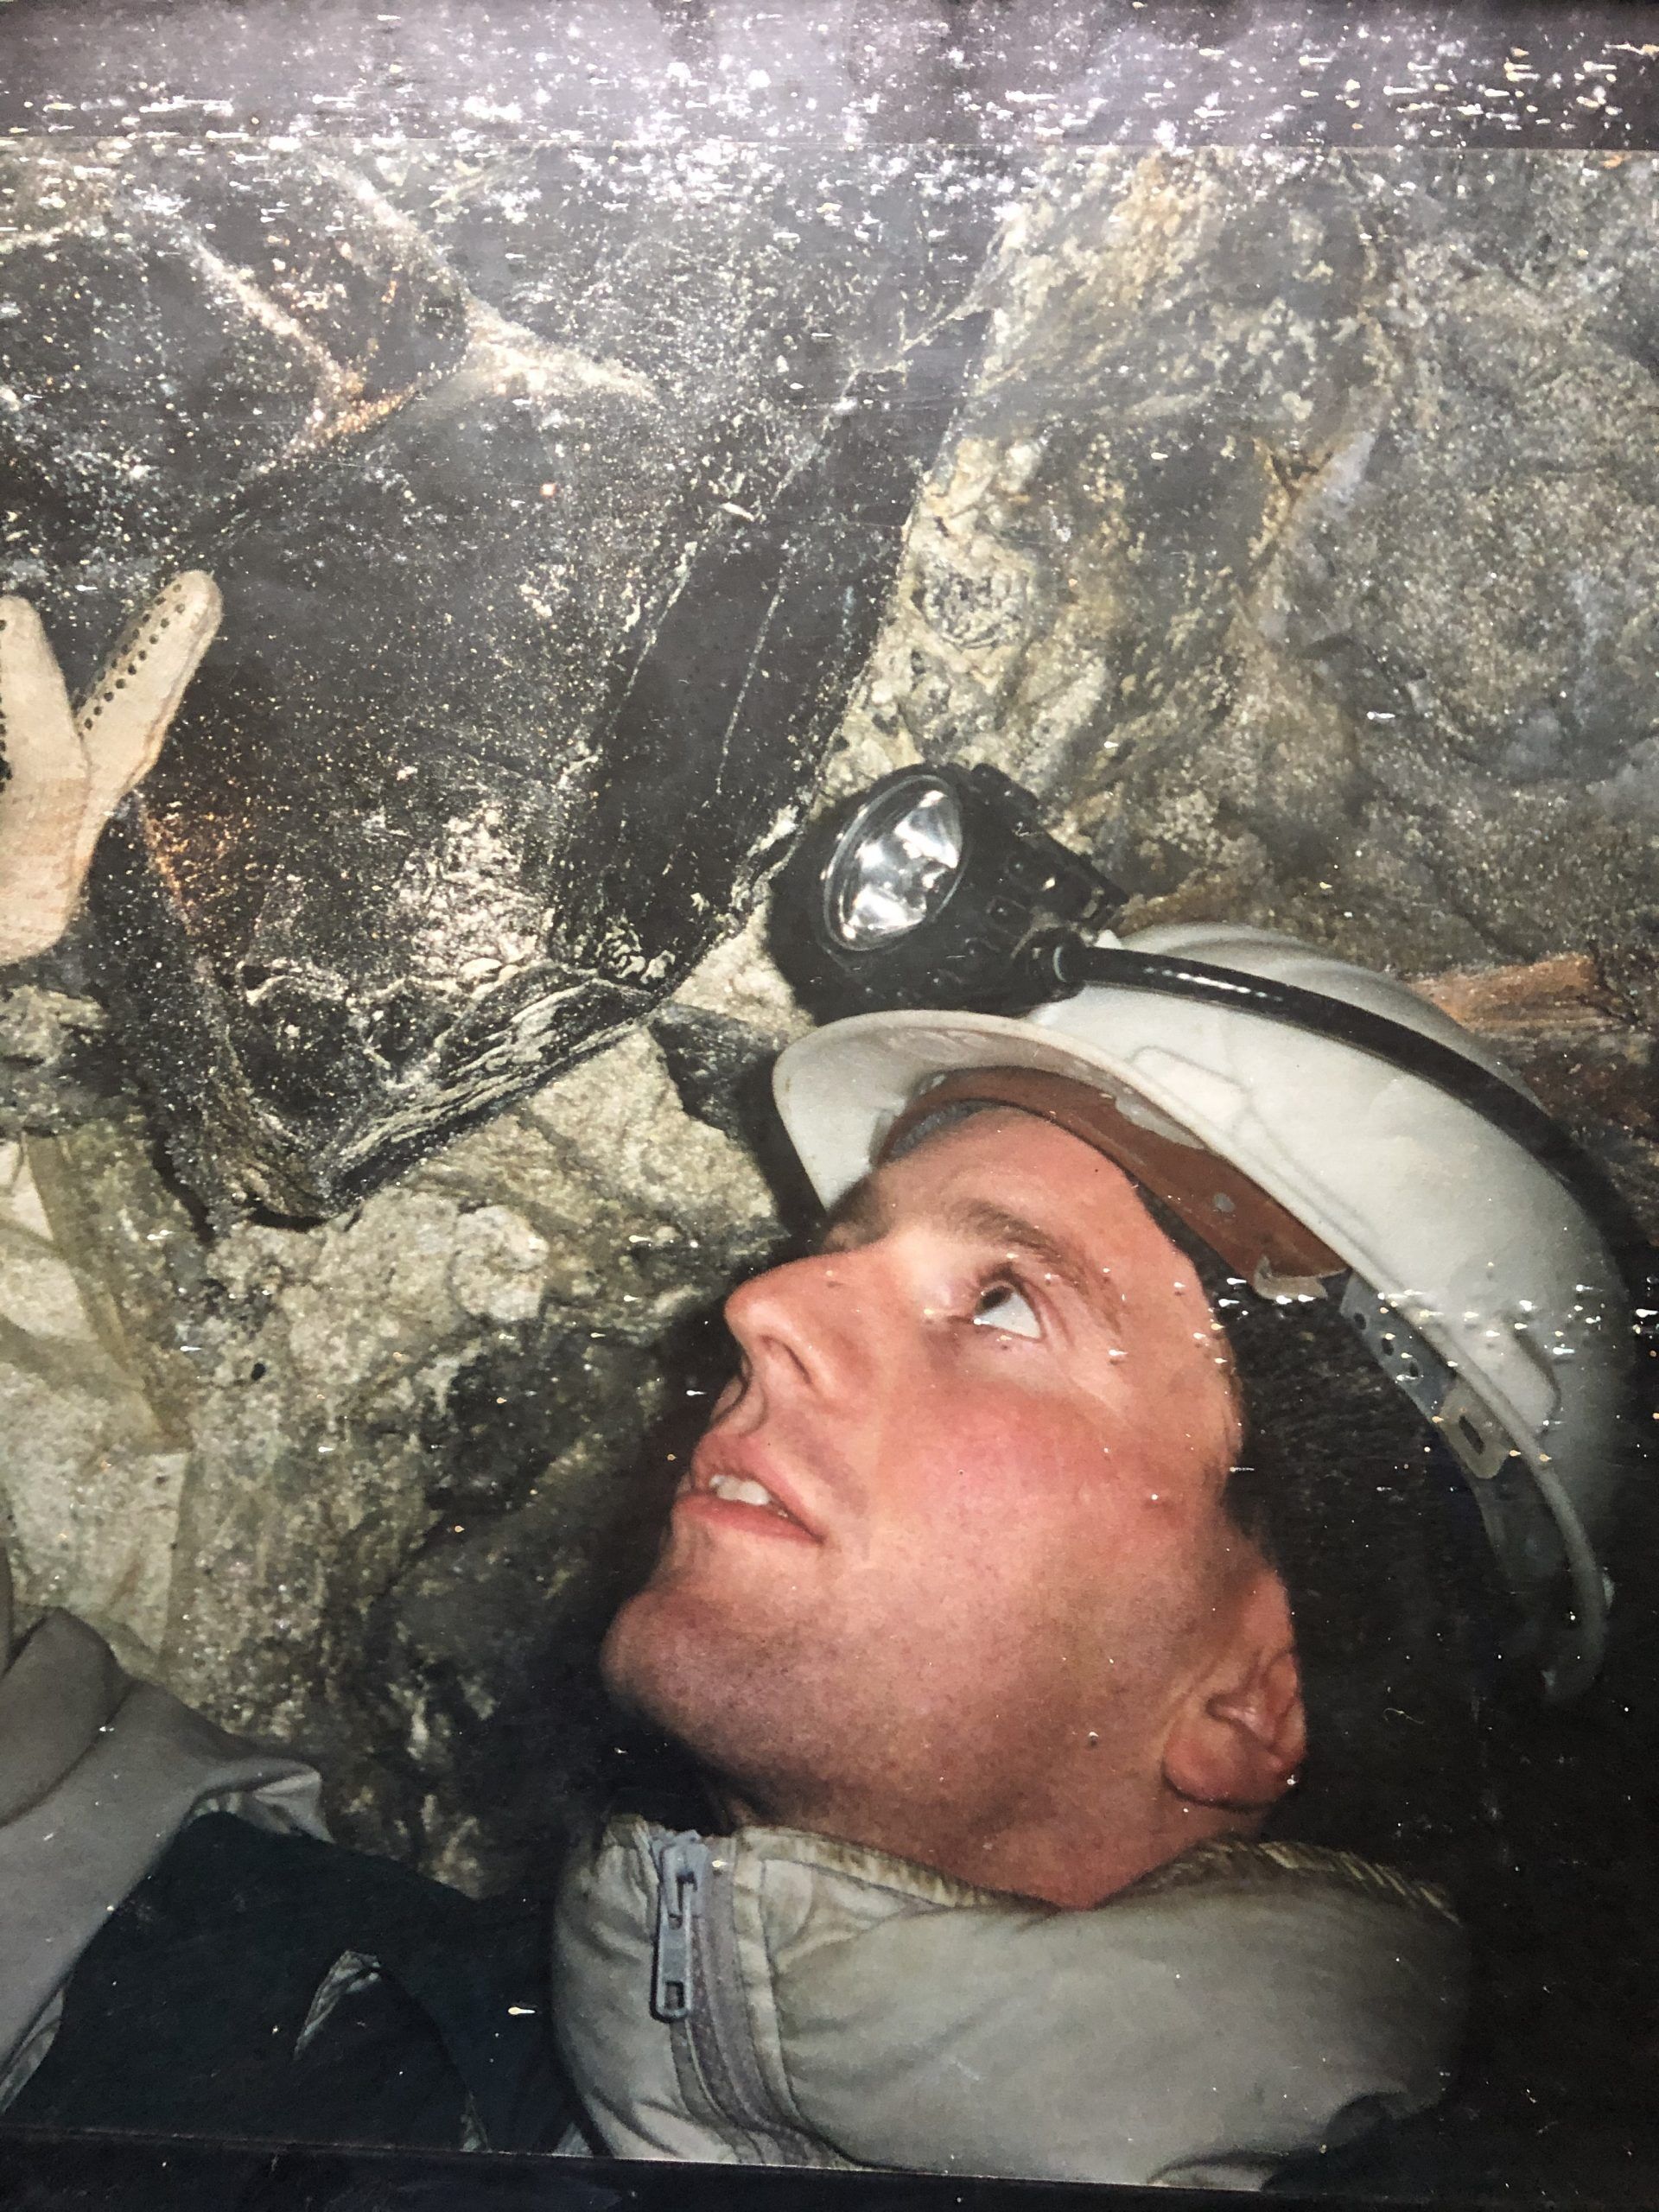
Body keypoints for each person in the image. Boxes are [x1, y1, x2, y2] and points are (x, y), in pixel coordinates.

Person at [0, 917, 1646, 2191]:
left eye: (1006, 1301)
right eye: (828, 1252)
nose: (763, 1306)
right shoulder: (285, 2009)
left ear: (1252, 1694)